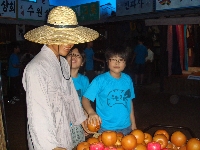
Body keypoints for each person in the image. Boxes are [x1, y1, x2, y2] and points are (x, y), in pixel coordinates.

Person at [22, 6, 99, 150]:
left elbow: (71, 96)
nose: (70, 43)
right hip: (46, 141)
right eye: (64, 38)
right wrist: (51, 147)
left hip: (64, 131)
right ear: (50, 36)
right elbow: (38, 115)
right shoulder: (36, 69)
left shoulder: (63, 62)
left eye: (72, 38)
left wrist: (81, 120)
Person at [82, 45, 137, 136]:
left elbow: (129, 101)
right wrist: (91, 112)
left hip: (126, 127)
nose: (117, 63)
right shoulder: (99, 80)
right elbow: (85, 99)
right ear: (107, 61)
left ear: (125, 63)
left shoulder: (127, 79)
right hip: (105, 128)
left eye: (121, 60)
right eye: (113, 59)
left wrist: (133, 123)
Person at [66, 44, 90, 147]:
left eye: (78, 55)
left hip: (78, 122)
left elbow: (85, 102)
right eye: (70, 54)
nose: (74, 57)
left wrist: (86, 123)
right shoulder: (59, 78)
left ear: (82, 63)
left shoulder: (84, 80)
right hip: (63, 123)